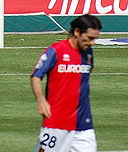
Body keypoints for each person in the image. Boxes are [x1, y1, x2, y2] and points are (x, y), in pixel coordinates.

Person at [31, 14, 102, 152]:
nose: (92, 43)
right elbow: (36, 76)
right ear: (77, 32)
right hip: (56, 123)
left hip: (83, 125)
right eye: (90, 38)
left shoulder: (88, 54)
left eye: (95, 39)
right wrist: (41, 101)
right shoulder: (56, 50)